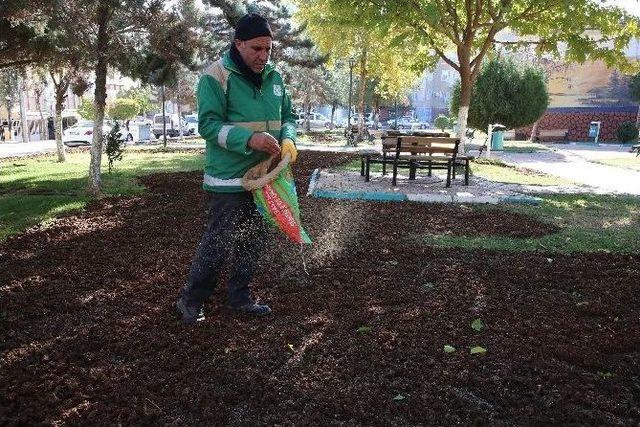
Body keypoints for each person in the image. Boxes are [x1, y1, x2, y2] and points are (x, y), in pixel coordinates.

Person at [175, 13, 298, 324]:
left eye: (268, 49)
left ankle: (239, 298)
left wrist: (289, 140)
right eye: (257, 49)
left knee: (252, 240)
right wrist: (250, 139)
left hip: (264, 177)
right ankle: (191, 301)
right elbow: (208, 126)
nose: (263, 56)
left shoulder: (275, 76)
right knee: (218, 241)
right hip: (228, 180)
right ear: (238, 43)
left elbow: (289, 117)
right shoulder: (215, 77)